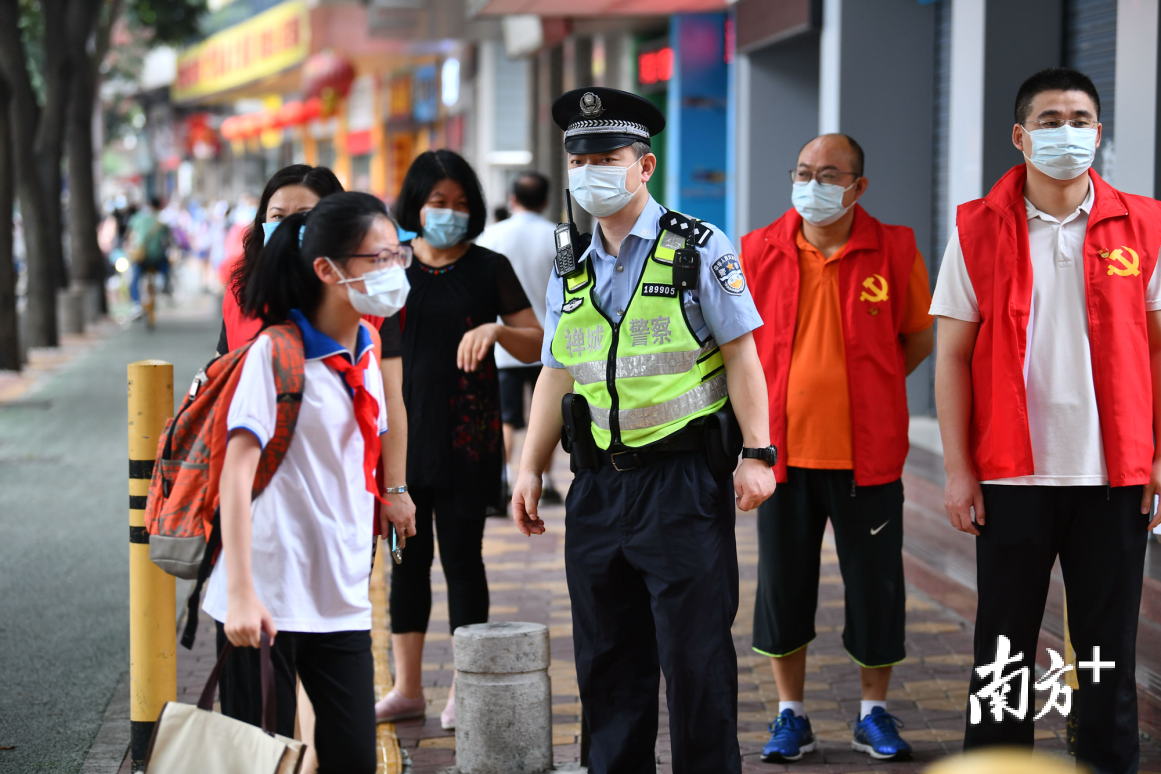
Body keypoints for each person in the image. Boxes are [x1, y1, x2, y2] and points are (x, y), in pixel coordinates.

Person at [510, 87, 777, 774]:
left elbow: (744, 352)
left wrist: (756, 453)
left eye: (606, 158)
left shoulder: (696, 247)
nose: (590, 173)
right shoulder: (566, 258)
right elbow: (556, 370)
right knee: (605, 659)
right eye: (579, 161)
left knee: (694, 659)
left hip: (681, 485)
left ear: (644, 166)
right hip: (596, 486)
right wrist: (531, 466)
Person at [932, 68, 1161, 774]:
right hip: (1010, 474)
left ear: (1099, 132)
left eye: (1082, 118)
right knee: (1000, 652)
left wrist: (1156, 460)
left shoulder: (1144, 224)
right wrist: (958, 469)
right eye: (1052, 118)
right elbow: (949, 357)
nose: (1069, 132)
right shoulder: (976, 228)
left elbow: (1157, 348)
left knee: (1106, 652)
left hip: (1113, 476)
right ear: (1019, 136)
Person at [204, 191, 417, 774]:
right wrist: (243, 593)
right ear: (327, 270)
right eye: (377, 259)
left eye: (397, 255)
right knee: (264, 761)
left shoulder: (367, 351)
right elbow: (235, 477)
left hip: (340, 601)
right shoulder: (273, 355)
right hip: (265, 600)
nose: (394, 270)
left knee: (351, 756)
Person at [741, 134, 934, 763]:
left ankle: (872, 713)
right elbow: (737, 350)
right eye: (802, 171)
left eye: (829, 174)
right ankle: (789, 714)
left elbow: (917, 338)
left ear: (858, 187)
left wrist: (869, 389)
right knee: (781, 586)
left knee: (876, 588)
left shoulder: (896, 249)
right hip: (782, 459)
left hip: (868, 461)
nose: (813, 184)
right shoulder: (758, 250)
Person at [374, 149, 543, 731]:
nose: (449, 213)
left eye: (461, 204)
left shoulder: (488, 266)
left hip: (469, 442)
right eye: (438, 202)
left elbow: (536, 341)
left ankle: (463, 691)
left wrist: (499, 329)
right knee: (407, 564)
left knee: (464, 562)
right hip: (402, 439)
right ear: (415, 204)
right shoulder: (387, 268)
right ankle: (407, 689)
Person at [475, 172, 562, 504]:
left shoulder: (490, 236)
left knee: (507, 417)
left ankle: (501, 480)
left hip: (507, 345)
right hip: (552, 346)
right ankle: (547, 480)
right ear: (544, 201)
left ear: (512, 199)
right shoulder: (558, 236)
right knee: (551, 412)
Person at [126, 197, 171, 312]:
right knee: (166, 264)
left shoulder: (137, 219)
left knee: (134, 279)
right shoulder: (162, 222)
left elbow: (129, 236)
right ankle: (165, 283)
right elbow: (168, 241)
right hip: (157, 258)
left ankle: (136, 304)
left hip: (141, 257)